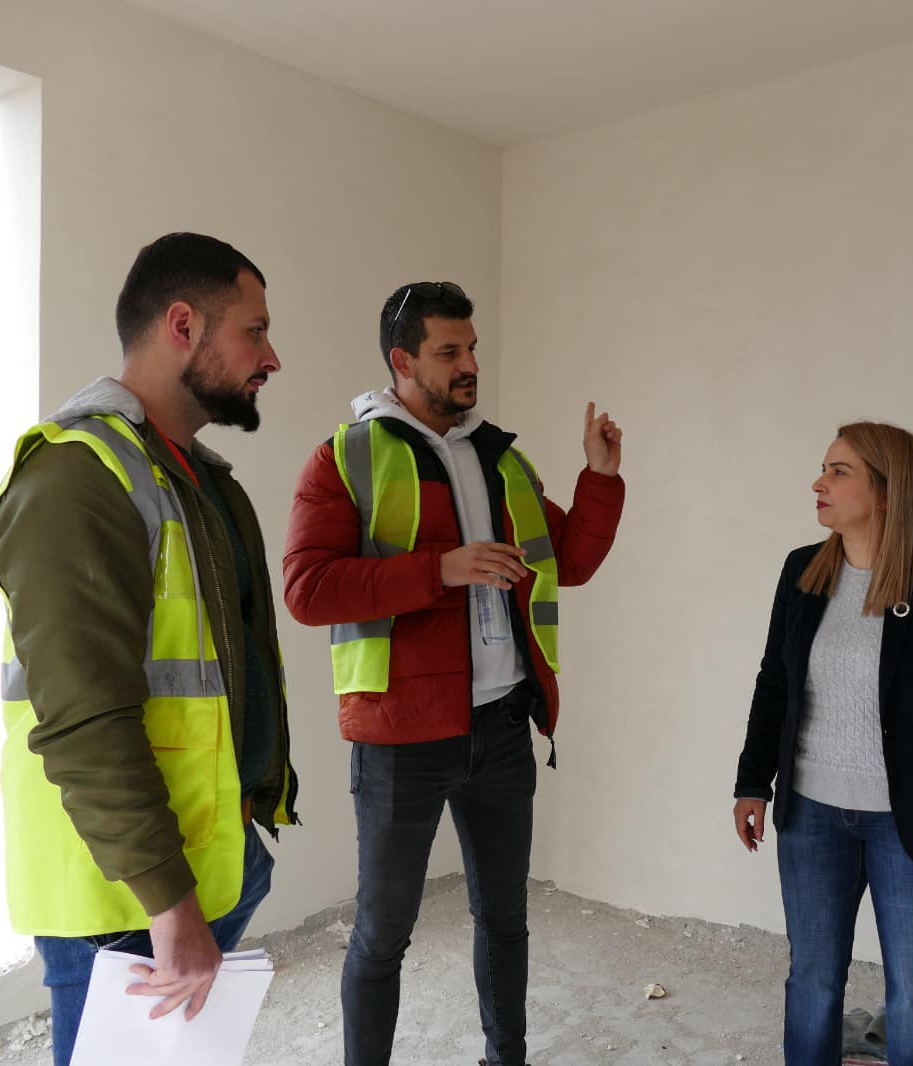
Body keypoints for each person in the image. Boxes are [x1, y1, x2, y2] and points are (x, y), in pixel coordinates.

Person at [281, 281, 625, 1066]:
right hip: (400, 740)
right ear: (402, 362)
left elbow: (569, 562)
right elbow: (307, 589)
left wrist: (599, 476)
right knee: (382, 937)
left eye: (472, 348)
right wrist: (440, 568)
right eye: (450, 352)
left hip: (502, 728)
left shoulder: (501, 458)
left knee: (505, 920)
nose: (470, 364)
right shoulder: (346, 456)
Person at [0, 232, 300, 1066]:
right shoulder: (76, 477)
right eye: (255, 332)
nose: (272, 358)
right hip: (126, 897)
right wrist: (170, 903)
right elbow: (84, 717)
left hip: (210, 854)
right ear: (183, 325)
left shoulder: (202, 482)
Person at [733, 421, 913, 1066]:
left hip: (911, 820)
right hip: (811, 815)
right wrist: (753, 781)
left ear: (887, 491)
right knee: (812, 980)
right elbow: (774, 683)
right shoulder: (802, 570)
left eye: (839, 472)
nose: (819, 482)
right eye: (824, 468)